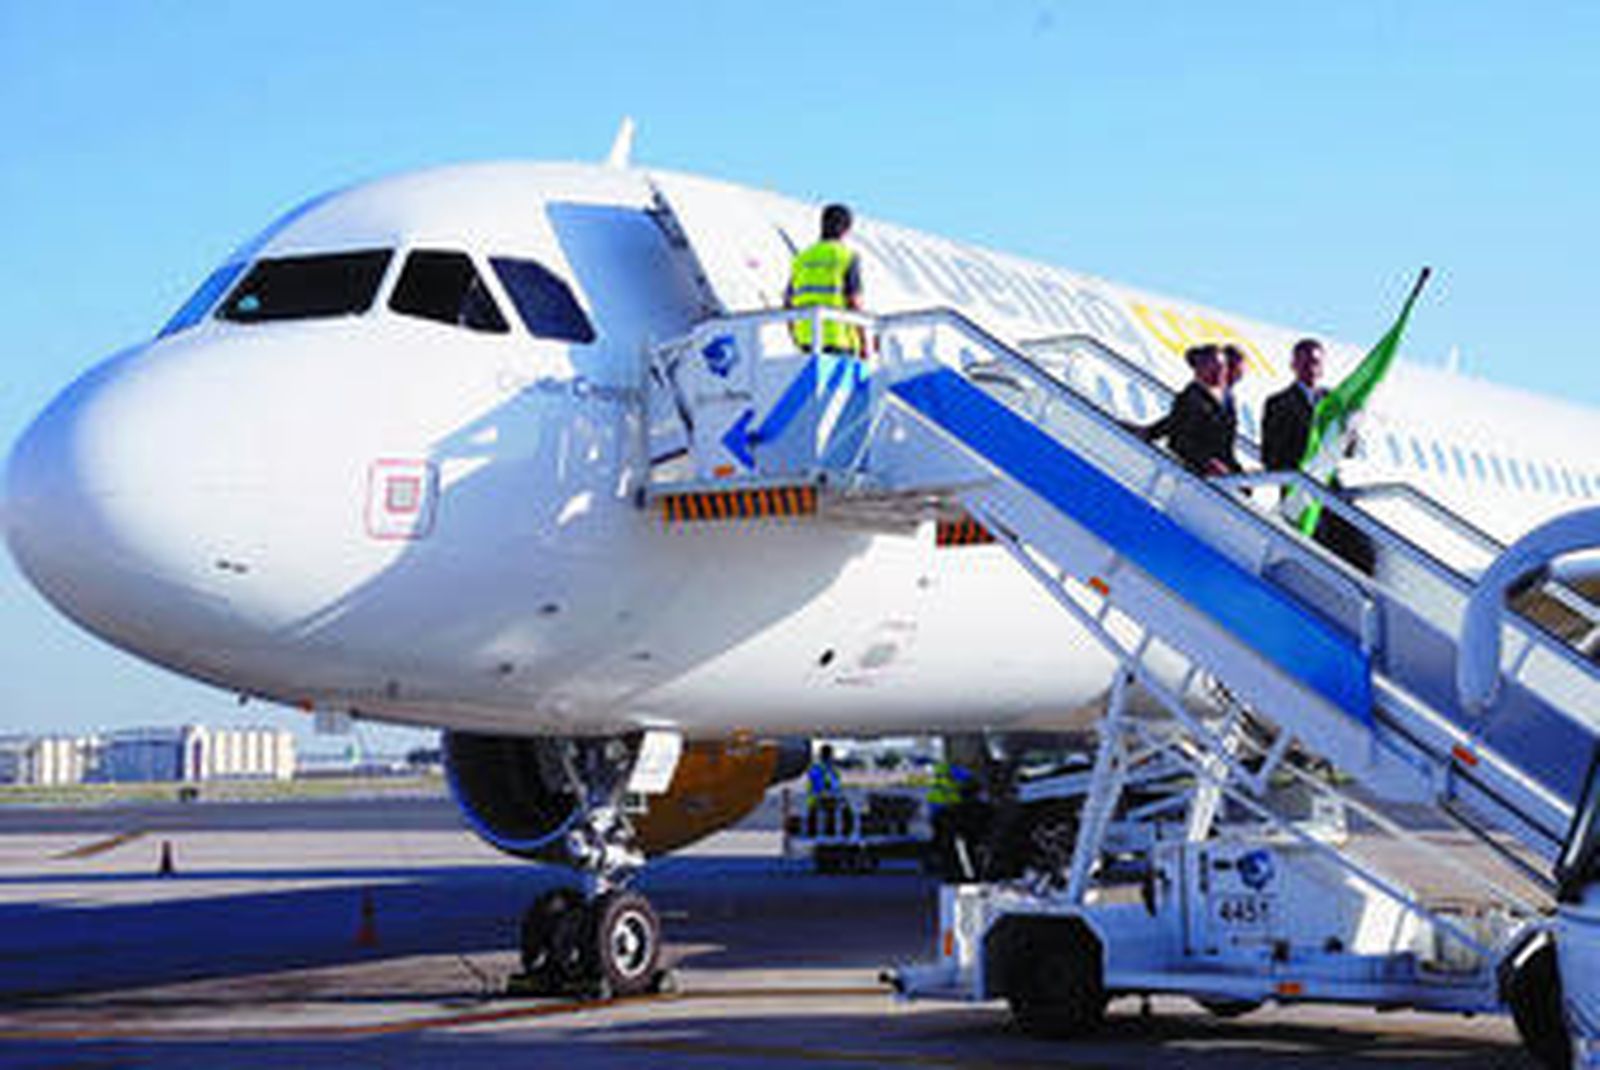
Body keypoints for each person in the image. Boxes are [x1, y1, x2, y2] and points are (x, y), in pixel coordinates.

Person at [1263, 337, 1375, 574]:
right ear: (1293, 365)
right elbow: (1271, 454)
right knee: (1315, 545)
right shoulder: (1278, 403)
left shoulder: (1334, 402)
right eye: (1303, 362)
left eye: (1315, 363)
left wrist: (1350, 430)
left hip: (1329, 486)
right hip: (1299, 489)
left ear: (1322, 367)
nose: (1310, 368)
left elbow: (1350, 451)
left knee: (1361, 547)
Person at [1143, 344, 1242, 477]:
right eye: (1212, 367)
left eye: (1222, 367)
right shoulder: (1191, 398)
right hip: (1193, 474)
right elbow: (1177, 438)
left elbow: (1226, 445)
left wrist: (1236, 471)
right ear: (1199, 369)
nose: (1218, 372)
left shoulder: (1227, 401)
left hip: (1218, 474)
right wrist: (1207, 463)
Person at [786, 203, 864, 356]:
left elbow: (788, 303)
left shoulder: (801, 259)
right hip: (839, 340)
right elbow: (854, 302)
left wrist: (795, 337)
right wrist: (863, 342)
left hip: (806, 341)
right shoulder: (846, 256)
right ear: (846, 230)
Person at [806, 743, 849, 837]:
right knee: (832, 807)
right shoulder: (818, 768)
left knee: (844, 807)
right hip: (816, 798)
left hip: (826, 797)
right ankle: (827, 833)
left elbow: (836, 785)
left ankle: (838, 833)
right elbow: (819, 785)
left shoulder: (832, 769)